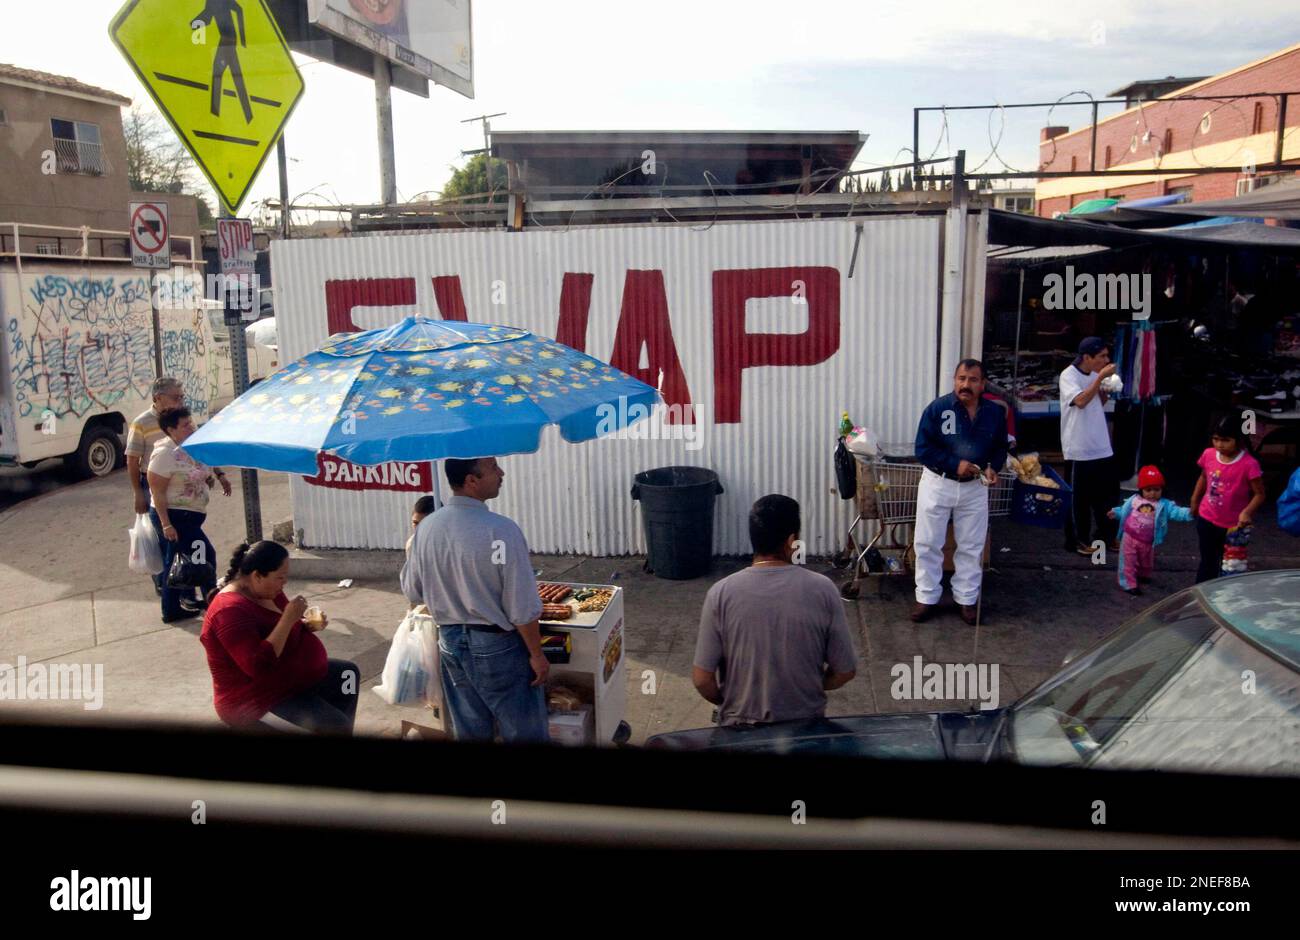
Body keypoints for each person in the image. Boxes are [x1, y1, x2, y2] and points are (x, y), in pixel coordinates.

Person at [400, 457, 549, 743]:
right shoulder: (501, 530)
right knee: (524, 730)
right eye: (493, 468)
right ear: (471, 481)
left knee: (470, 730)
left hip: (450, 643)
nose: (501, 472)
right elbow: (521, 607)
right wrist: (537, 654)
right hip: (496, 647)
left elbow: (413, 591)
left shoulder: (427, 529)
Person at [692, 495, 856, 725]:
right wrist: (810, 686)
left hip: (739, 728)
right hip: (806, 728)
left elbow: (702, 680)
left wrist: (728, 703)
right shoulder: (823, 589)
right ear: (792, 541)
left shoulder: (720, 593)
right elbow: (844, 671)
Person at [202, 541, 359, 734]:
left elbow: (284, 626)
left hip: (288, 679)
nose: (284, 583)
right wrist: (288, 619)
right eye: (280, 577)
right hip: (255, 701)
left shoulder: (267, 591)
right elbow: (258, 665)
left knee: (347, 675)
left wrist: (305, 624)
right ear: (257, 576)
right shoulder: (228, 611)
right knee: (335, 725)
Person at [912, 359, 1008, 625]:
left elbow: (1001, 447)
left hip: (975, 488)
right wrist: (956, 464)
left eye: (973, 380)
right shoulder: (938, 409)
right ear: (955, 380)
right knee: (928, 542)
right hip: (937, 483)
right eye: (961, 378)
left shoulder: (994, 413)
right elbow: (922, 449)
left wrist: (993, 467)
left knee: (972, 545)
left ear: (983, 384)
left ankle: (966, 599)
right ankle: (926, 597)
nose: (966, 385)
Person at [147, 407, 230, 622]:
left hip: (190, 517)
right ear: (170, 430)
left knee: (179, 560)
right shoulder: (165, 453)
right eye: (185, 425)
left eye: (190, 423)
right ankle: (211, 603)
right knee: (204, 554)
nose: (191, 427)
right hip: (176, 517)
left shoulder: (190, 445)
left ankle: (176, 607)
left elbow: (205, 462)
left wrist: (218, 476)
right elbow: (157, 490)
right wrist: (166, 525)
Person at [1060, 337, 1119, 556]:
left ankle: (1106, 535)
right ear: (1087, 357)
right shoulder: (1068, 376)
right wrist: (1100, 378)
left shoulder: (1096, 375)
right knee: (1079, 499)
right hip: (1079, 447)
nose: (1106, 359)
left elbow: (1097, 402)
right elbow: (1081, 401)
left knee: (1106, 496)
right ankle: (1078, 540)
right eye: (1102, 356)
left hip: (1101, 445)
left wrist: (1106, 387)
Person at [126, 377, 185, 595]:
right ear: (158, 398)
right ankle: (166, 587)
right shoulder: (142, 423)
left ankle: (183, 585)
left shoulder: (181, 419)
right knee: (162, 538)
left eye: (182, 397)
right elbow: (132, 461)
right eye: (175, 397)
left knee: (181, 536)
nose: (180, 402)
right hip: (153, 485)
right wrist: (138, 494)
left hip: (180, 484)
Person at [1190, 415, 1265, 583]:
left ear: (1238, 440)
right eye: (1215, 439)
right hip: (1206, 518)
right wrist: (1195, 500)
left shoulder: (1249, 464)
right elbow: (1203, 477)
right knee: (1207, 561)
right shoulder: (1208, 455)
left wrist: (1246, 513)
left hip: (1232, 527)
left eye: (1225, 440)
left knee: (1230, 566)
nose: (1219, 445)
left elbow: (1260, 494)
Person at [1106, 466, 1193, 596]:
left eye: (1156, 490)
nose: (1152, 493)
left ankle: (1143, 575)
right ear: (1141, 490)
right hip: (1129, 536)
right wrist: (1116, 513)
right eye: (1148, 490)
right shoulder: (1134, 500)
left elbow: (1177, 512)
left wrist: (1191, 512)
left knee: (1146, 561)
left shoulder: (1165, 504)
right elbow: (1124, 510)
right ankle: (1128, 583)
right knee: (1127, 561)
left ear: (1162, 490)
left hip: (1147, 540)